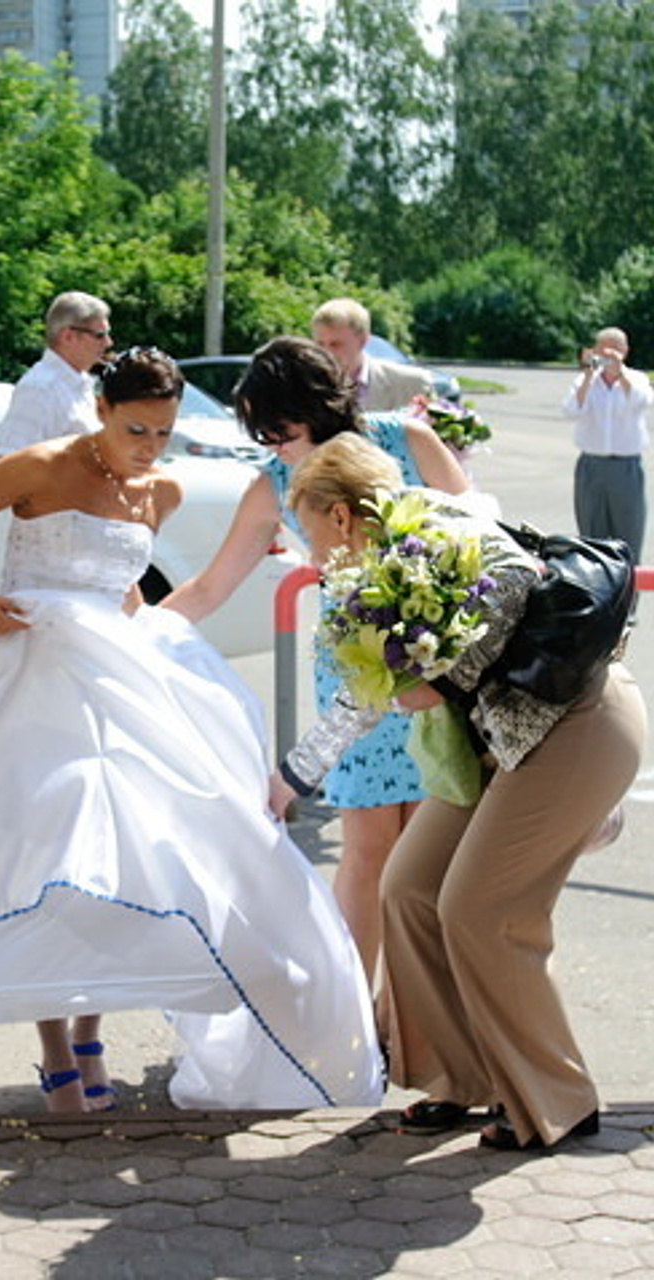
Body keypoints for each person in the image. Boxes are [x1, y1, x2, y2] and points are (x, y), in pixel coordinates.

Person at [0, 347, 382, 1114]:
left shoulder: (161, 490)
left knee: (124, 860)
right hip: (34, 673)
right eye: (137, 428)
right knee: (48, 848)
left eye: (165, 434)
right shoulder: (39, 466)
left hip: (116, 675)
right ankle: (53, 1047)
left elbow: (133, 599)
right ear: (101, 409)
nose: (149, 448)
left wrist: (158, 645)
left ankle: (87, 1030)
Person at [271, 432, 645, 1152]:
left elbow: (511, 580)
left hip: (577, 725)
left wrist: (433, 673)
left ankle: (555, 1097)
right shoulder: (373, 575)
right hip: (499, 744)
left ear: (342, 516)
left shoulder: (438, 530)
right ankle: (460, 1077)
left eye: (309, 528)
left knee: (479, 907)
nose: (308, 550)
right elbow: (365, 698)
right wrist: (287, 781)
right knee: (407, 889)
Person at [161, 337, 467, 981]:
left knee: (432, 857)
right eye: (262, 435)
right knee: (367, 850)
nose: (274, 447)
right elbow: (212, 586)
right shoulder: (272, 483)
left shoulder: (409, 440)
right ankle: (353, 1008)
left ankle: (414, 1022)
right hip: (358, 662)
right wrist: (135, 635)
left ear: (317, 408)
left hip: (444, 658)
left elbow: (478, 538)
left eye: (280, 430)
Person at [562, 326, 652, 562]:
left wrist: (619, 373)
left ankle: (628, 594)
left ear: (625, 351)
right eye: (604, 349)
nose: (609, 354)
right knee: (592, 538)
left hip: (626, 466)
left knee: (629, 535)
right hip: (592, 465)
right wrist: (589, 373)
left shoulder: (637, 379)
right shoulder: (585, 380)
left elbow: (641, 402)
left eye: (615, 349)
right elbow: (571, 411)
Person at [0, 291, 113, 458]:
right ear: (68, 336)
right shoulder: (40, 388)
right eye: (100, 335)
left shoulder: (79, 385)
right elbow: (7, 461)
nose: (108, 343)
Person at [311, 298, 431, 412]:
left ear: (362, 341)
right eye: (320, 344)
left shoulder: (411, 384)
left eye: (335, 344)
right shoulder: (305, 386)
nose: (326, 352)